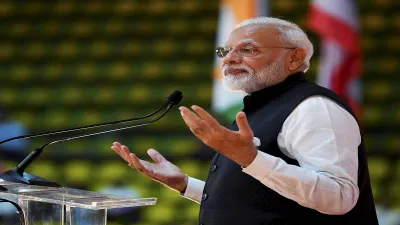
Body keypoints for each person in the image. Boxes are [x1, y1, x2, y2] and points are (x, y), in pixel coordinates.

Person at [111, 17, 378, 225]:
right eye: (225, 51)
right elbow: (262, 201)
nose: (230, 58)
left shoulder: (314, 108)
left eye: (247, 49)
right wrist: (185, 184)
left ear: (294, 58)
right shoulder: (259, 106)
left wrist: (251, 159)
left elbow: (339, 197)